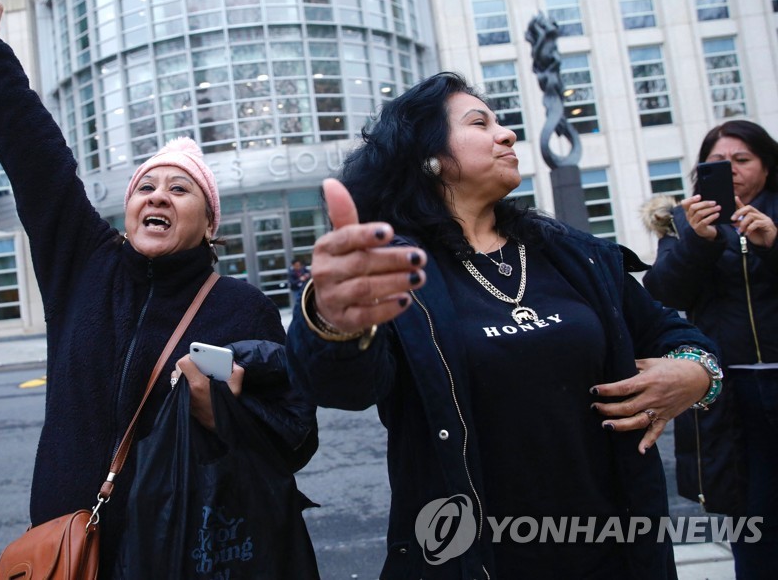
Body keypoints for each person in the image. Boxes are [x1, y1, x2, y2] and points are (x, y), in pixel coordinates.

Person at [285, 72, 719, 578]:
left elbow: (675, 334)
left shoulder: (575, 255)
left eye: (501, 121)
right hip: (471, 558)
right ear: (427, 155)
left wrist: (697, 375)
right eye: (479, 122)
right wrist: (334, 322)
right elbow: (344, 387)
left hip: (614, 550)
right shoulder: (397, 271)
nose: (508, 133)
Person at [0, 0, 318, 577]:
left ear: (210, 226)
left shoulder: (244, 308)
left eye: (180, 189)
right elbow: (37, 158)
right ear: (129, 213)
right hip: (77, 545)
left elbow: (294, 439)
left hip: (185, 553)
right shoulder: (84, 265)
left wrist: (220, 412)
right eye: (146, 188)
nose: (158, 195)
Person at [642, 119, 778, 579]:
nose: (731, 169)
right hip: (732, 389)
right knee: (752, 512)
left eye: (742, 160)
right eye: (718, 162)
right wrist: (700, 242)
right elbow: (664, 292)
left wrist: (772, 244)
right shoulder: (684, 222)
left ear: (766, 164)